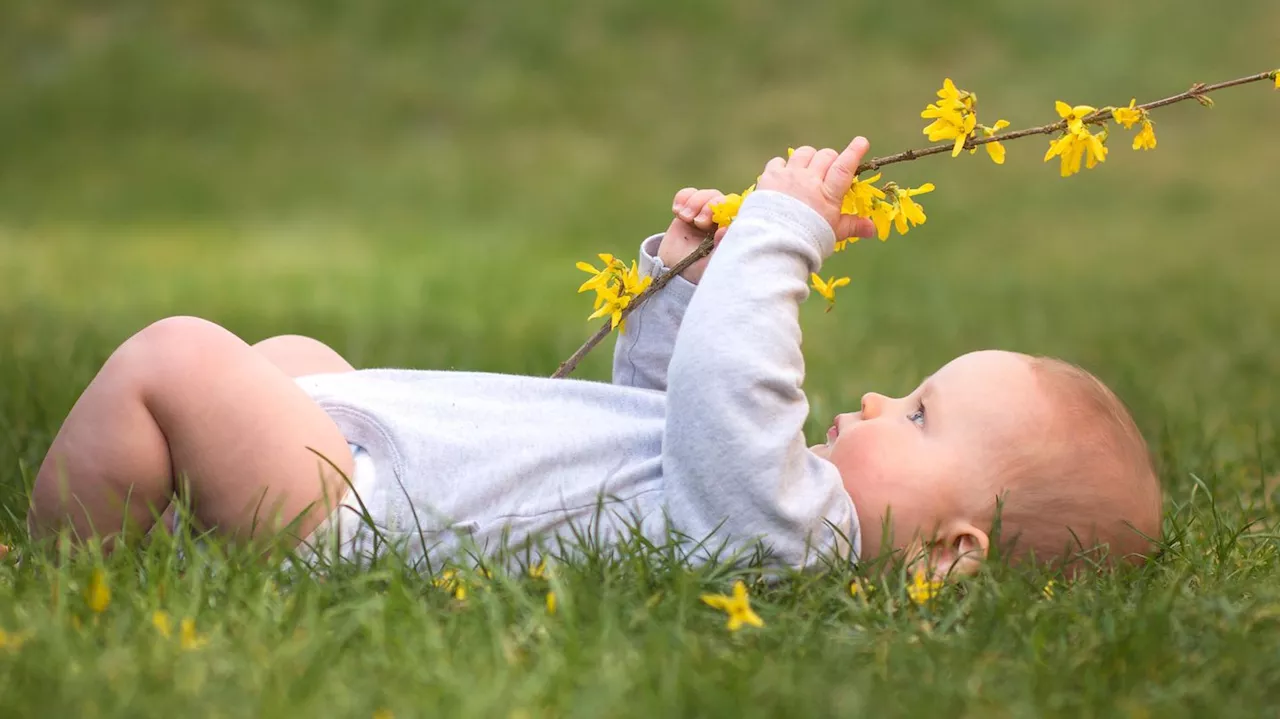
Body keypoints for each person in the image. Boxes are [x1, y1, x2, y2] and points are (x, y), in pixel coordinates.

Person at [23, 137, 1162, 576]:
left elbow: (731, 397)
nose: (873, 397)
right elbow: (677, 408)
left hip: (365, 519)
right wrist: (683, 285)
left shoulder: (781, 531)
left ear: (952, 551)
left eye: (915, 416)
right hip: (377, 459)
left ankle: (72, 567)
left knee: (178, 354)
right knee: (290, 357)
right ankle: (176, 531)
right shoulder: (754, 499)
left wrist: (779, 232)